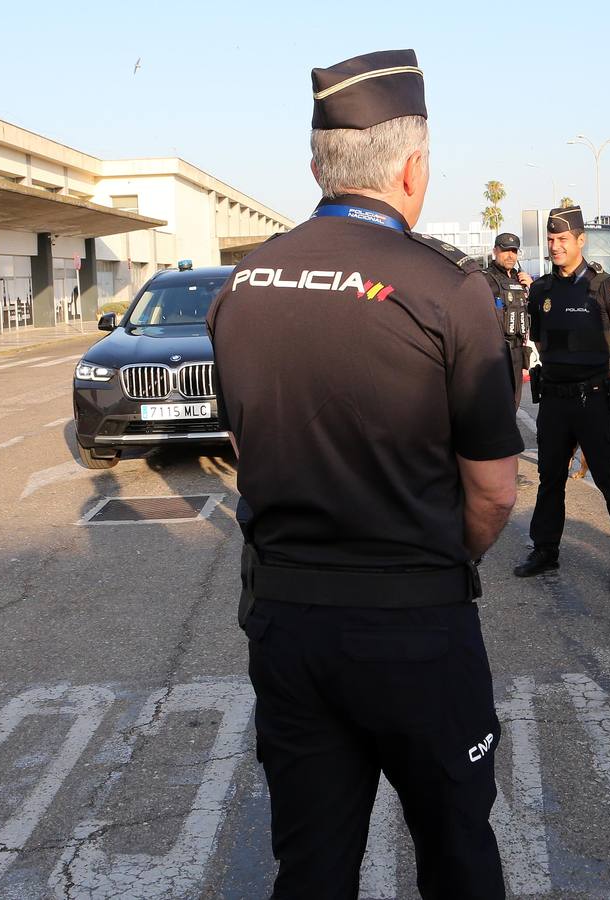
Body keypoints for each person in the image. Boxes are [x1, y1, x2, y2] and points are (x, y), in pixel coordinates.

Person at [207, 49, 521, 899]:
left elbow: (248, 442)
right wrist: (435, 555)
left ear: (318, 165)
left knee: (311, 862)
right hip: (415, 625)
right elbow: (493, 490)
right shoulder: (447, 291)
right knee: (455, 851)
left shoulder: (241, 284)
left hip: (287, 621)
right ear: (414, 168)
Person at [515, 205, 610, 592]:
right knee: (549, 478)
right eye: (551, 239)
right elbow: (540, 340)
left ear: (580, 241)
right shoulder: (541, 289)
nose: (555, 246)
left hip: (595, 400)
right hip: (555, 400)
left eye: (562, 240)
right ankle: (544, 549)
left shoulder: (606, 286)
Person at [481, 232, 533, 407]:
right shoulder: (485, 279)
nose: (510, 255)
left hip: (518, 351)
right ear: (495, 251)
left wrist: (531, 288)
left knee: (514, 402)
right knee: (496, 404)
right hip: (496, 352)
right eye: (505, 250)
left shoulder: (522, 279)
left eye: (514, 251)